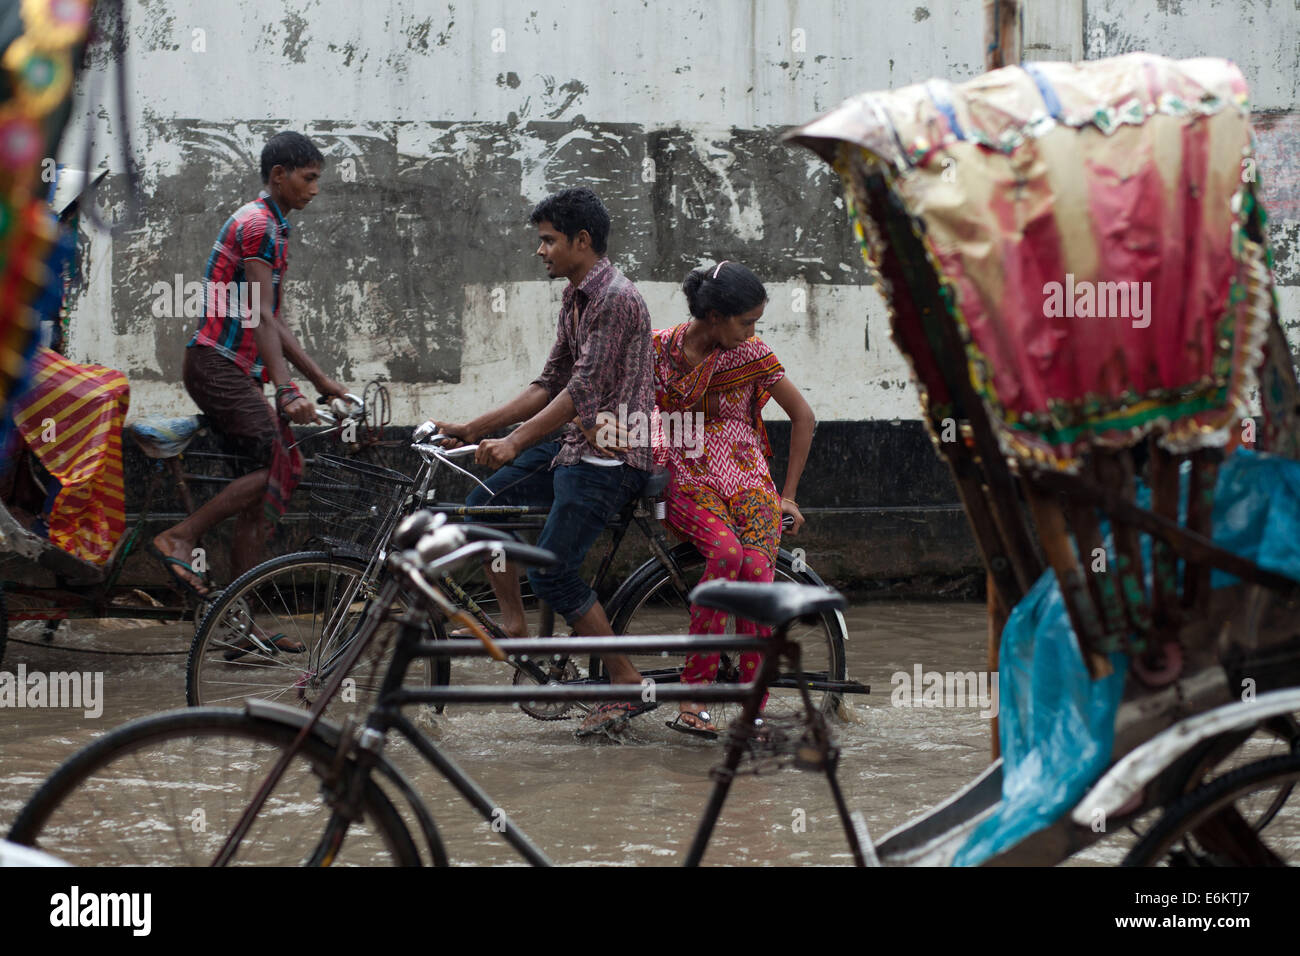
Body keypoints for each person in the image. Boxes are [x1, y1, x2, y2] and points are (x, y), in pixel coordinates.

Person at [434, 187, 659, 737]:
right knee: (484, 509)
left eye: (548, 240)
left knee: (553, 571)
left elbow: (582, 392)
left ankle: (628, 681)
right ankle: (512, 622)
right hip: (571, 445)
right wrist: (475, 427)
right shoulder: (576, 296)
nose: (541, 251)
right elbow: (550, 380)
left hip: (611, 452)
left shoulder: (616, 298)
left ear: (582, 241)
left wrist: (514, 443)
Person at [150, 131, 347, 635]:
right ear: (278, 176)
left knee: (265, 497)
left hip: (234, 369)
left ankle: (239, 626)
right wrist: (287, 391)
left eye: (317, 179)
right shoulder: (259, 225)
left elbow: (274, 320)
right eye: (308, 178)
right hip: (217, 365)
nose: (315, 189)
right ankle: (181, 536)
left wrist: (323, 382)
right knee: (287, 465)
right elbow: (261, 313)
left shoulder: (274, 228)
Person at [651, 261, 815, 737]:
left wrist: (787, 496)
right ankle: (693, 697)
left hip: (746, 477)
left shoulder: (752, 353)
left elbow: (803, 416)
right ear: (715, 316)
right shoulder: (659, 349)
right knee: (725, 555)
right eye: (747, 322)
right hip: (685, 472)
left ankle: (752, 707)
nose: (753, 332)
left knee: (756, 579)